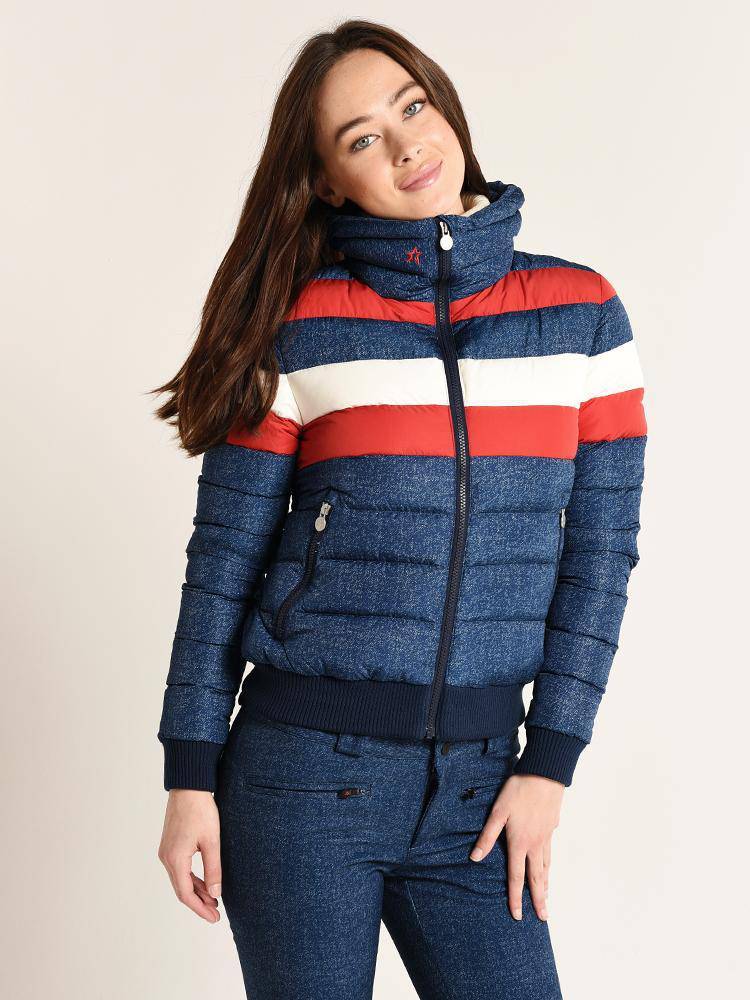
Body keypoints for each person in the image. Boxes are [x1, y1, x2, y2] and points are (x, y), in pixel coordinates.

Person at [153, 19, 647, 1000]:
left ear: (446, 107)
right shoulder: (300, 326)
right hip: (299, 781)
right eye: (362, 137)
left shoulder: (582, 313)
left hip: (482, 788)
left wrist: (549, 764)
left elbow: (601, 555)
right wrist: (189, 775)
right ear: (330, 182)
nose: (407, 143)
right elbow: (223, 563)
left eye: (412, 107)